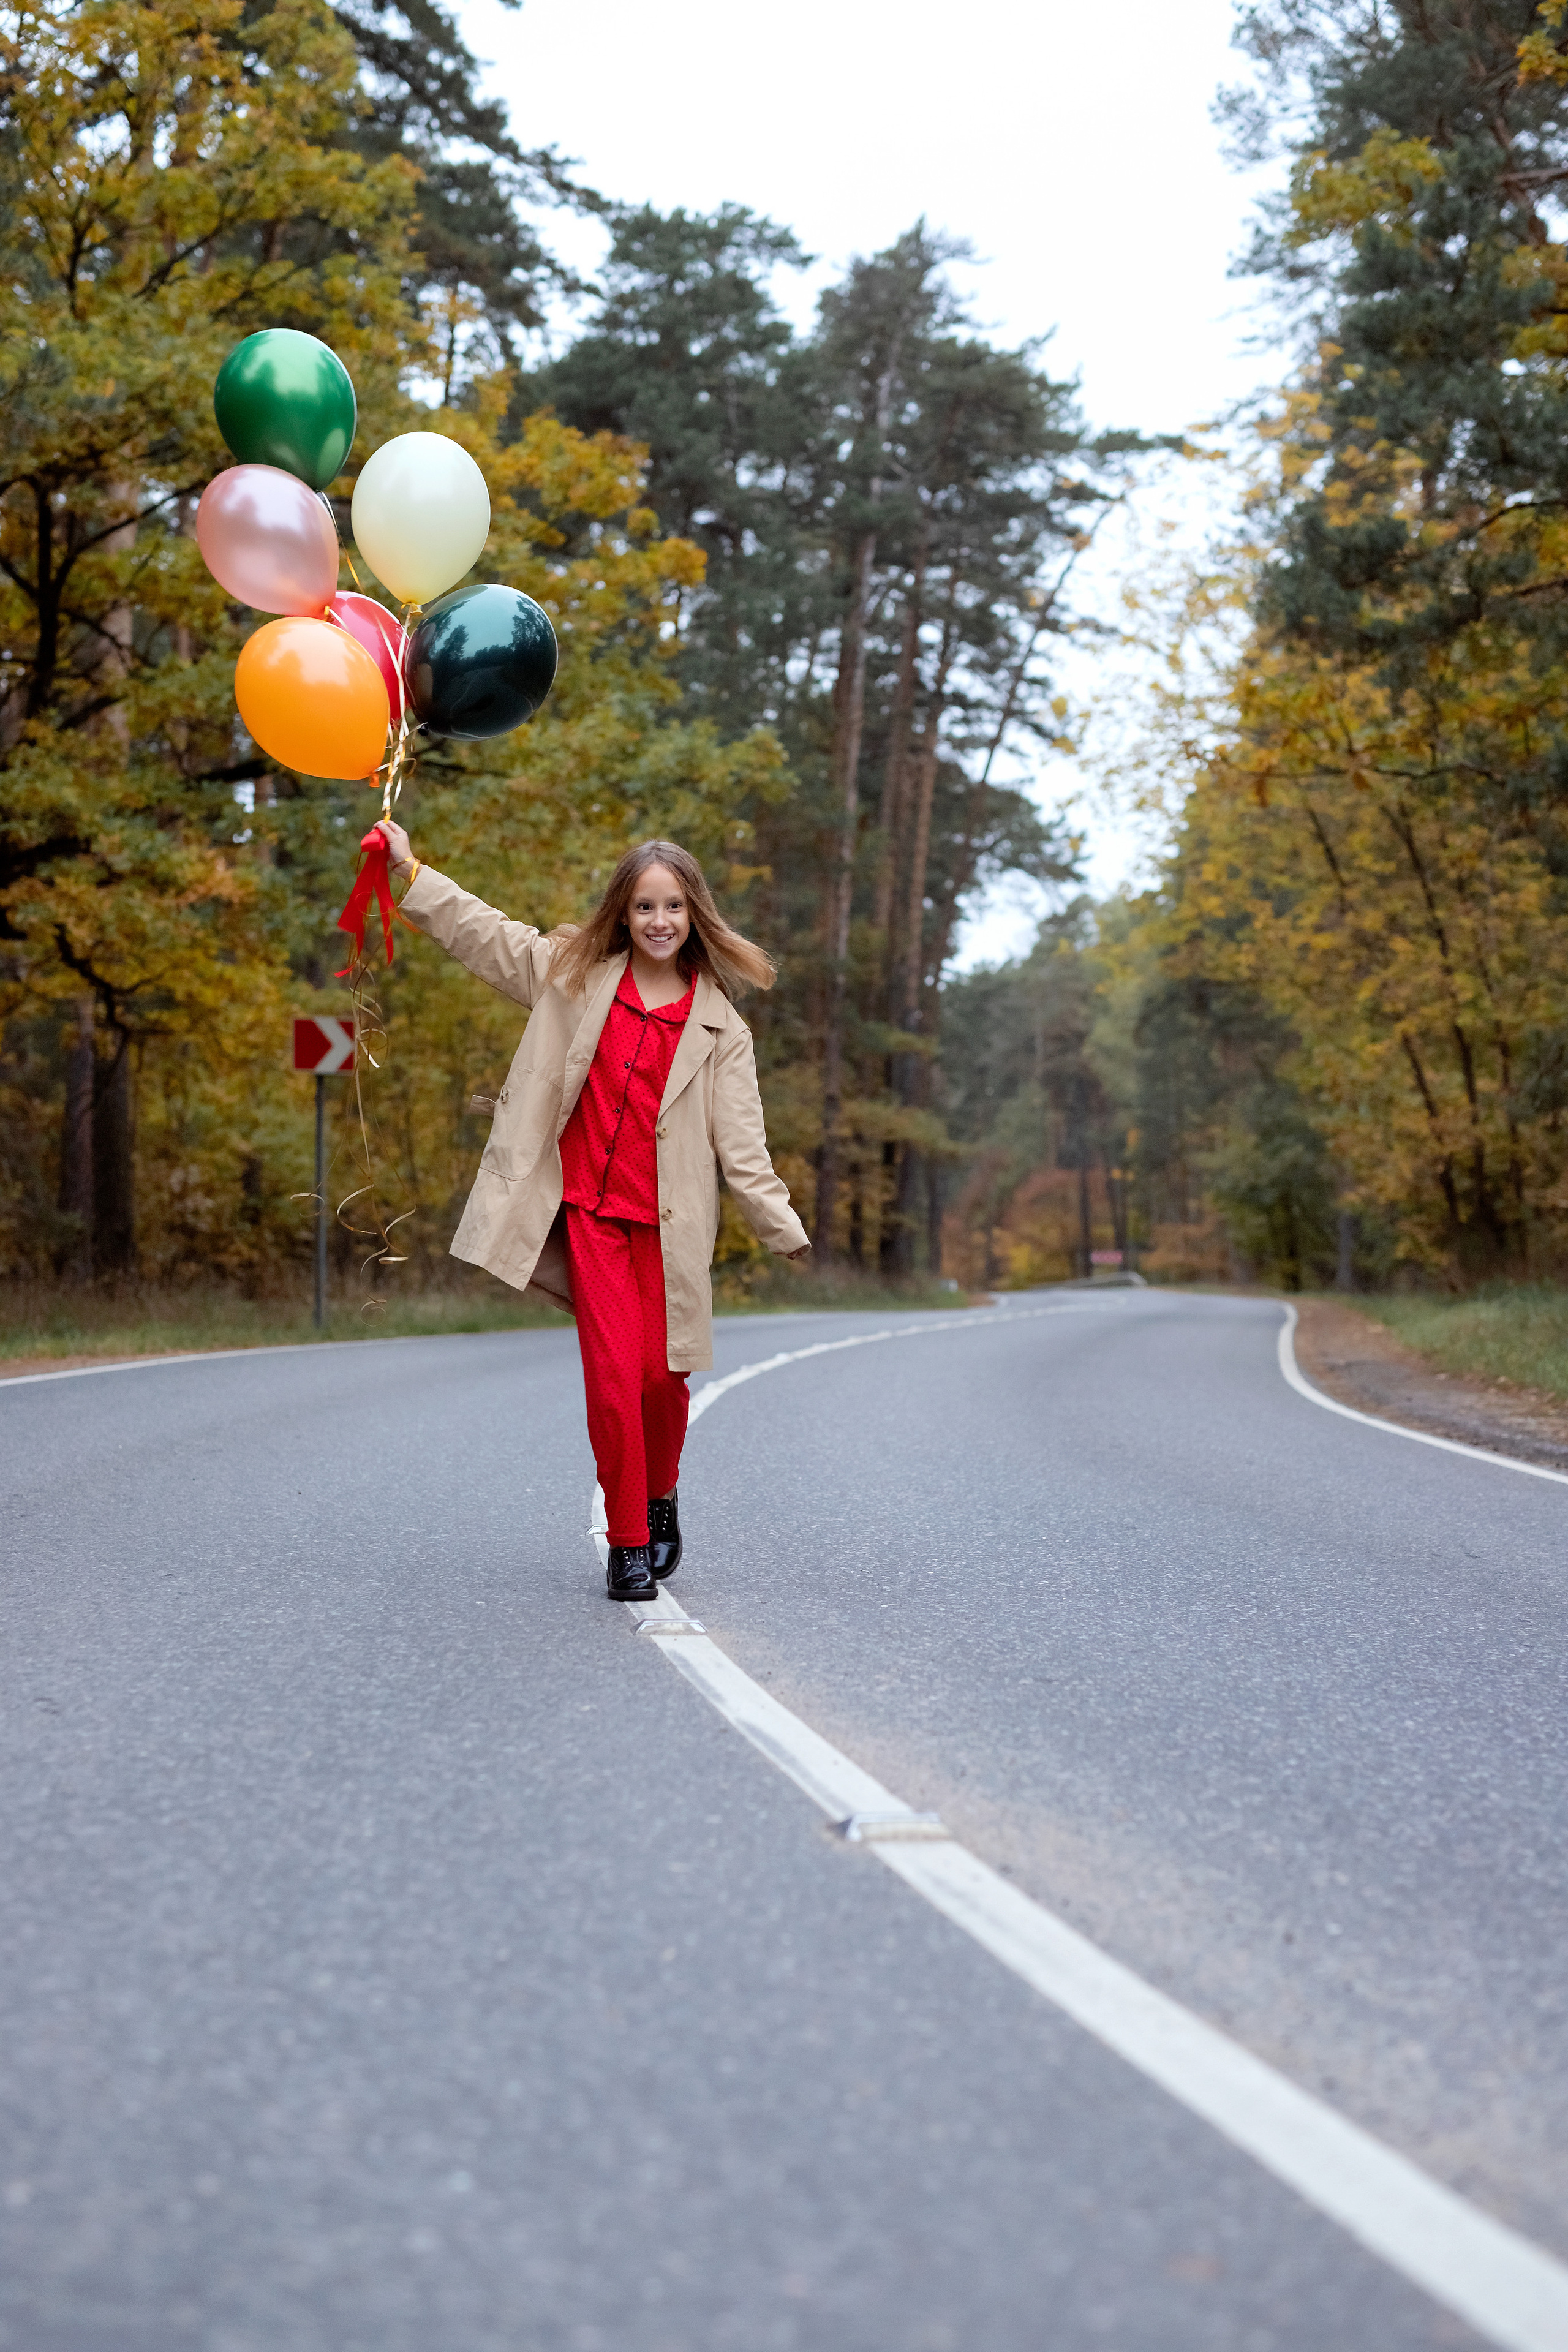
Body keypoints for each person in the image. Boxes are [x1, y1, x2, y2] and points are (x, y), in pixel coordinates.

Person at [374, 820, 810, 1602]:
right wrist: (411, 875)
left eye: (673, 906)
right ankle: (629, 1543)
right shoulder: (575, 975)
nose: (659, 922)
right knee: (613, 1383)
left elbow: (743, 1146)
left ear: (694, 915)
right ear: (623, 913)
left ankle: (661, 1491)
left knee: (660, 1380)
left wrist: (780, 1226)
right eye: (644, 907)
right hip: (589, 1217)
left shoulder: (721, 1030)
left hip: (668, 1229)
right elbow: (487, 936)